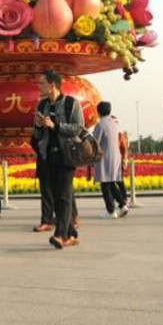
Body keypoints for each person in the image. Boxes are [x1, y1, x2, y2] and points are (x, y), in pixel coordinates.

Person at [33, 70, 85, 249]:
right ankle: (71, 234)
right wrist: (39, 126)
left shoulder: (71, 103)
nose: (39, 86)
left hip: (67, 155)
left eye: (42, 83)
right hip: (48, 155)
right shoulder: (42, 105)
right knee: (56, 196)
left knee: (63, 195)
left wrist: (56, 126)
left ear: (52, 85)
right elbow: (37, 134)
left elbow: (79, 128)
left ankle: (60, 234)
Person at [92, 102, 127, 219]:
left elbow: (95, 142)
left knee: (105, 183)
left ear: (99, 112)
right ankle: (122, 204)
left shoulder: (101, 125)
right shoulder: (114, 123)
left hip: (104, 156)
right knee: (112, 182)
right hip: (116, 157)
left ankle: (111, 210)